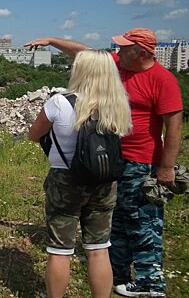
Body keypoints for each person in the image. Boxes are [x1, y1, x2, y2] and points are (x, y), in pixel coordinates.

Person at [25, 28, 183, 297]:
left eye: (123, 47)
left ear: (141, 52)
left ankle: (150, 281)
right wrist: (52, 41)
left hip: (134, 161)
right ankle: (119, 275)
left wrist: (166, 166)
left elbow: (174, 124)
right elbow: (83, 52)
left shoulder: (162, 80)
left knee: (142, 221)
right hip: (108, 165)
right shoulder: (118, 95)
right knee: (105, 237)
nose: (117, 52)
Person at [28, 49, 132, 298]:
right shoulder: (118, 105)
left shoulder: (60, 103)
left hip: (65, 180)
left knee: (59, 249)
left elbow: (33, 135)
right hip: (104, 182)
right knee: (99, 249)